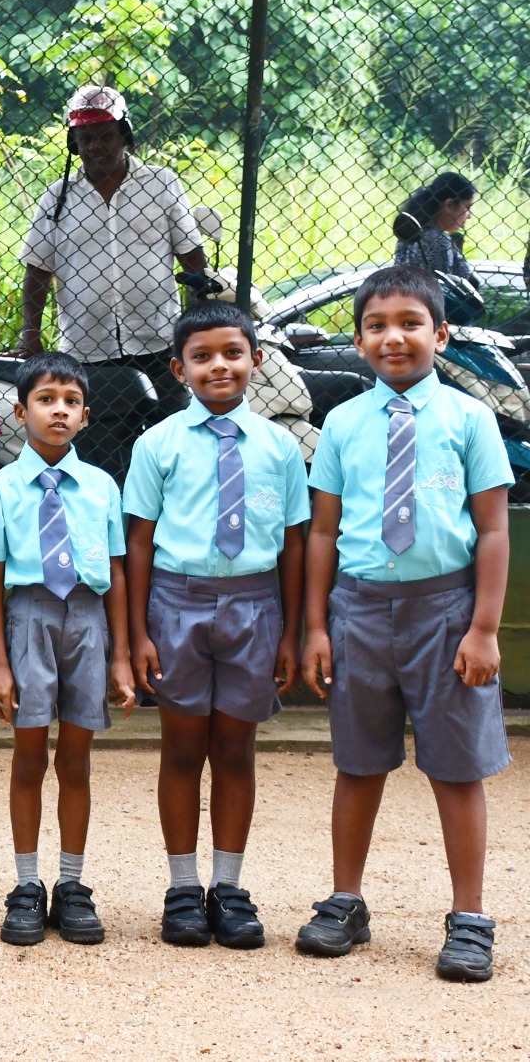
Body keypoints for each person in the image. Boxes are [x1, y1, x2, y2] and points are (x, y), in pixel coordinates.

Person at [295, 266, 512, 982]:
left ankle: (470, 918)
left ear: (440, 334)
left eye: (411, 323)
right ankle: (346, 902)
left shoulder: (469, 418)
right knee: (358, 764)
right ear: (357, 342)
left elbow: (491, 531)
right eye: (378, 326)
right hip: (359, 613)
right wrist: (318, 626)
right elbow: (323, 533)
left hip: (445, 614)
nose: (395, 337)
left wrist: (483, 628)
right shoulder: (344, 424)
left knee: (457, 768)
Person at [122, 302, 308, 950]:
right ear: (179, 368)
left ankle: (229, 888)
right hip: (177, 605)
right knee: (181, 748)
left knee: (235, 749)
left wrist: (291, 629)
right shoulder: (159, 444)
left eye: (233, 352)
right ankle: (182, 889)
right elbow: (138, 543)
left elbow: (293, 542)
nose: (219, 366)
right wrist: (139, 633)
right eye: (202, 356)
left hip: (255, 607)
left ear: (256, 360)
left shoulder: (282, 448)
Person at [0, 351, 135, 947]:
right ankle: (25, 885)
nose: (58, 410)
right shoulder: (2, 490)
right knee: (29, 755)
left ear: (85, 416)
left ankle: (71, 884)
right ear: (20, 411)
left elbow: (115, 569)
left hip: (88, 622)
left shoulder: (100, 487)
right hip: (29, 618)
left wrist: (119, 656)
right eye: (45, 399)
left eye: (70, 401)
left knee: (77, 760)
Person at [15, 86, 206, 380]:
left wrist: (199, 321)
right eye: (86, 139)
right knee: (94, 425)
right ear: (73, 144)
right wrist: (30, 331)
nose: (95, 147)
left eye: (105, 137)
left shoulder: (161, 184)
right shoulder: (57, 197)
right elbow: (38, 270)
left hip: (159, 342)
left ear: (125, 136)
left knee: (170, 422)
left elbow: (191, 257)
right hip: (86, 349)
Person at [393, 172, 477, 284]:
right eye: (467, 207)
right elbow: (442, 290)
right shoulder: (437, 240)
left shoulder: (411, 233)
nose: (469, 216)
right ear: (449, 205)